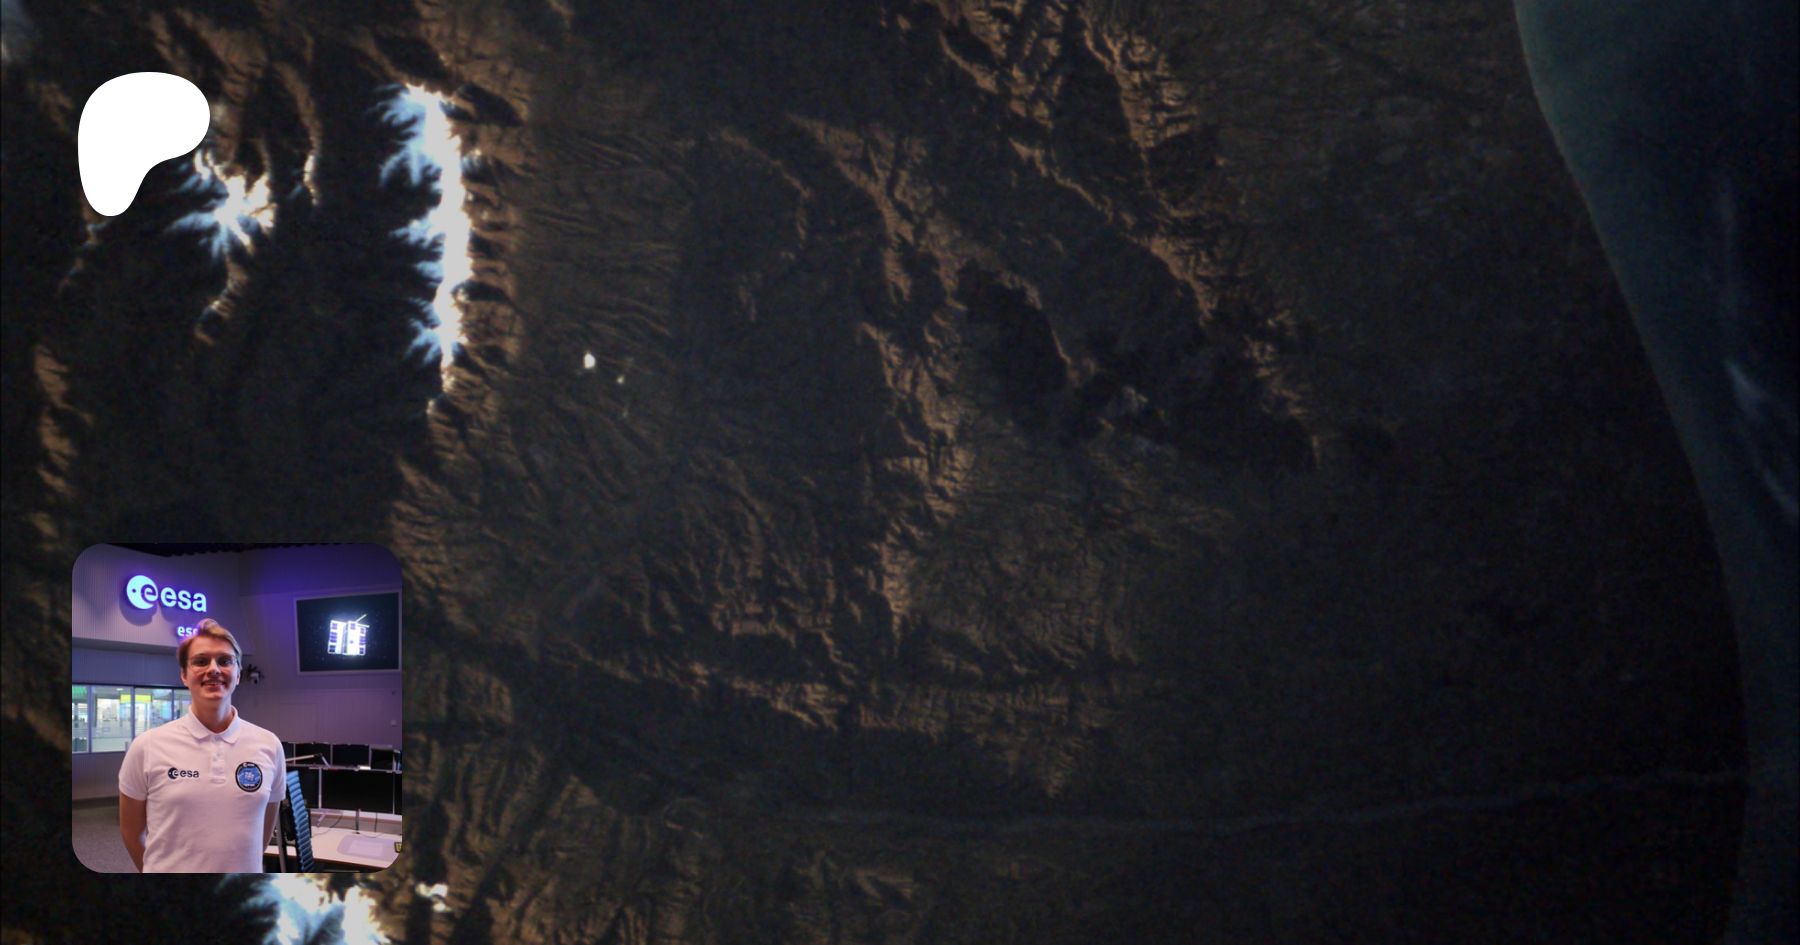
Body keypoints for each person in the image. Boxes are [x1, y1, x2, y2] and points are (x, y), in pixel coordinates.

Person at [118, 618, 286, 872]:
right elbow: (131, 834)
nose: (214, 669)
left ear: (238, 674)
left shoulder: (269, 745)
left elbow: (263, 831)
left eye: (225, 661)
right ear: (184, 675)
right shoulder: (147, 746)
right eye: (201, 661)